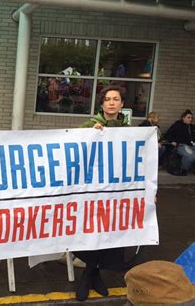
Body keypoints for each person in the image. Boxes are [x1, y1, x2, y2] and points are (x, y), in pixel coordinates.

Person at [75, 85, 129, 301]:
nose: (111, 102)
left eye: (116, 99)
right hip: (93, 189)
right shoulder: (90, 125)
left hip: (117, 189)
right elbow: (74, 145)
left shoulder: (130, 130)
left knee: (110, 232)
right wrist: (89, 135)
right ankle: (90, 274)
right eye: (107, 99)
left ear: (122, 104)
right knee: (91, 228)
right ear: (102, 103)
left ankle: (92, 274)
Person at [165, 109, 195, 175]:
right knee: (191, 156)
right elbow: (167, 134)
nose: (190, 119)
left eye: (191, 118)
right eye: (188, 117)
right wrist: (172, 141)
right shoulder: (177, 125)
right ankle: (184, 170)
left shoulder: (192, 127)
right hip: (182, 145)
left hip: (192, 145)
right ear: (183, 118)